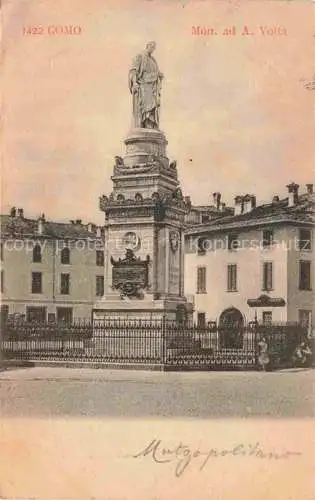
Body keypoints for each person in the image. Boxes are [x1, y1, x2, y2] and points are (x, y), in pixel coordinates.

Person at [128, 41, 164, 129]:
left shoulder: (153, 60)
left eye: (154, 48)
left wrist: (159, 75)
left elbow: (155, 72)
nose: (152, 49)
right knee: (144, 106)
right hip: (143, 85)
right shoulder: (139, 57)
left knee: (153, 106)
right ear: (147, 46)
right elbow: (133, 71)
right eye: (151, 47)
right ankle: (143, 123)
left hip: (152, 88)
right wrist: (135, 82)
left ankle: (150, 124)